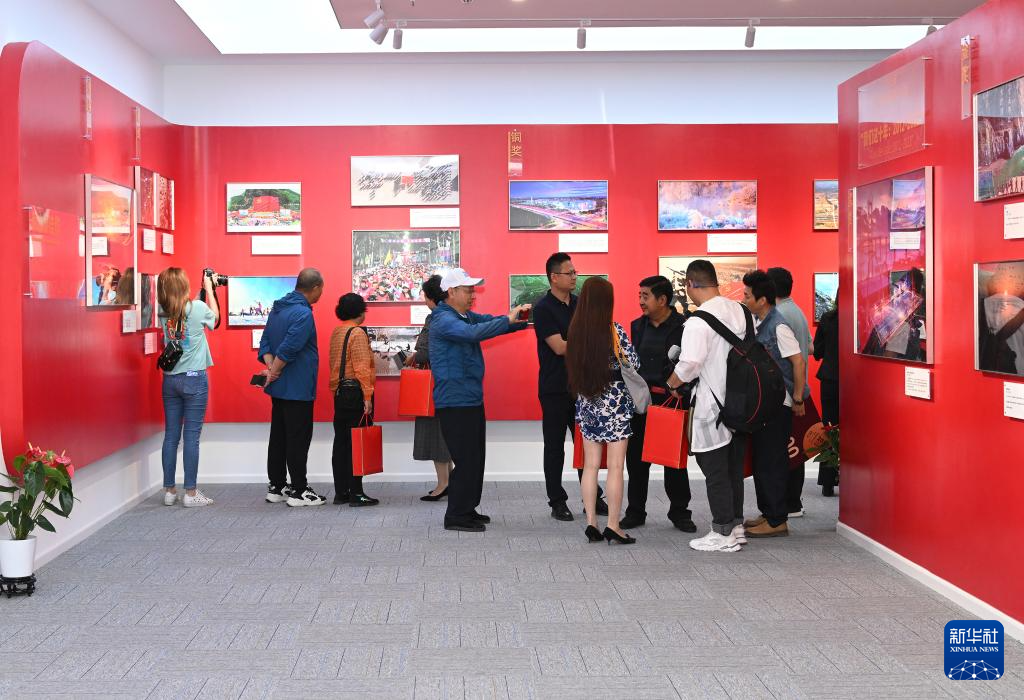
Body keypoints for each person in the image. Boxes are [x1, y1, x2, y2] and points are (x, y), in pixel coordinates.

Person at [429, 268, 530, 532]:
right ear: (451, 292)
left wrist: (520, 320)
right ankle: (455, 516)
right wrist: (507, 320)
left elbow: (488, 323)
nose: (473, 295)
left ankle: (467, 508)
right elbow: (473, 333)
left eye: (473, 289)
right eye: (468, 290)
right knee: (466, 459)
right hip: (454, 401)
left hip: (470, 398)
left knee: (475, 458)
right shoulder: (442, 319)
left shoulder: (464, 316)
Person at [666, 260, 748, 553]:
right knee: (733, 469)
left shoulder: (697, 321)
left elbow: (690, 363)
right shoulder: (741, 311)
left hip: (712, 406)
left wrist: (672, 382)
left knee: (715, 471)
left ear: (690, 284)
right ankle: (736, 527)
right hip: (742, 404)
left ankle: (722, 532)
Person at [533, 252, 606, 522]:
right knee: (555, 447)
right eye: (569, 273)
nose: (575, 276)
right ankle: (557, 501)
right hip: (554, 388)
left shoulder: (579, 304)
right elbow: (559, 347)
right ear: (554, 277)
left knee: (587, 445)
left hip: (582, 387)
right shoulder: (543, 308)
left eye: (575, 272)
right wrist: (589, 342)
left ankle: (592, 497)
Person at [567, 277, 639, 545]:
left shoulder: (576, 332)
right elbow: (633, 363)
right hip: (616, 403)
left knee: (590, 465)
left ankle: (591, 523)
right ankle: (613, 525)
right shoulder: (614, 331)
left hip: (588, 402)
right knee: (616, 466)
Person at [621, 275, 695, 532]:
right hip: (641, 402)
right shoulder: (636, 326)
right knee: (636, 460)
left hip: (670, 400)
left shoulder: (684, 326)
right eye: (639, 295)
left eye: (646, 296)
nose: (640, 301)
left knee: (673, 461)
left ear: (662, 300)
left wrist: (681, 389)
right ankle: (635, 511)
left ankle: (680, 513)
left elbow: (690, 364)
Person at [741, 270, 807, 538]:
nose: (744, 299)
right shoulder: (760, 322)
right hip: (765, 403)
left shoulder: (779, 326)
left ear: (762, 300)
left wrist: (798, 398)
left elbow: (798, 362)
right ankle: (769, 513)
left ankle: (778, 519)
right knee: (762, 460)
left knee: (772, 461)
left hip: (780, 404)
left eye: (747, 295)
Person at [258, 268, 326, 507]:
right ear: (315, 288)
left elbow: (265, 343)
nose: (321, 294)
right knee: (298, 439)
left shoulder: (278, 309)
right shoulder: (303, 313)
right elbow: (289, 348)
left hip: (279, 388)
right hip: (297, 388)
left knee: (279, 437)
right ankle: (299, 490)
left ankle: (277, 486)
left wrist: (271, 370)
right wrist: (275, 371)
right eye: (321, 289)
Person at [157, 267, 217, 507]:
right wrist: (209, 289)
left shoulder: (163, 312)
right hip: (194, 379)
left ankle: (169, 491)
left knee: (171, 436)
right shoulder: (198, 308)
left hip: (170, 380)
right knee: (191, 437)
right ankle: (191, 493)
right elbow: (215, 319)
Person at [765, 267, 813, 518]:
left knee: (785, 451)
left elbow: (796, 360)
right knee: (794, 449)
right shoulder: (797, 311)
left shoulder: (779, 315)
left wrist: (796, 395)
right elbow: (810, 348)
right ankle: (793, 501)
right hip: (797, 391)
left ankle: (789, 503)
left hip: (789, 392)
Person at [404, 274, 453, 501]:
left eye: (425, 296)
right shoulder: (451, 316)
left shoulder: (435, 319)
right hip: (445, 383)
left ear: (432, 297)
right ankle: (448, 482)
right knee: (443, 434)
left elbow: (427, 352)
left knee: (436, 435)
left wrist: (413, 356)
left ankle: (443, 484)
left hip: (434, 386)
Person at [329, 293, 378, 507]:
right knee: (356, 444)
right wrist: (367, 396)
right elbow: (361, 367)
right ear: (360, 310)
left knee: (341, 443)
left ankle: (341, 492)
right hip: (355, 393)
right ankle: (356, 493)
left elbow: (334, 365)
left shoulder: (337, 331)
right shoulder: (357, 332)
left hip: (340, 393)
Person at [813, 291, 840, 497]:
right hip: (854, 381)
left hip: (830, 379)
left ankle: (828, 483)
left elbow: (818, 351)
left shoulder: (828, 318)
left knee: (829, 428)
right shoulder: (860, 319)